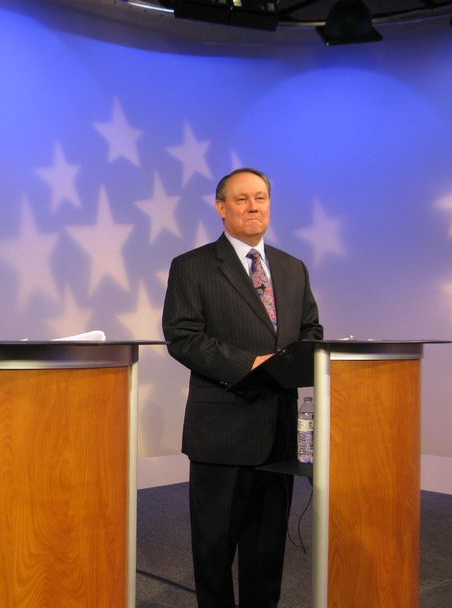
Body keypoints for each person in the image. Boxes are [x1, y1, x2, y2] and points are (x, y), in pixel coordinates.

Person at [162, 168, 323, 608]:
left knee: (267, 550)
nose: (253, 207)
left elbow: (312, 330)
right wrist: (250, 364)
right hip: (222, 430)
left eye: (261, 198)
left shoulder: (292, 268)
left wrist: (297, 360)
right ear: (221, 208)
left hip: (279, 433)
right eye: (241, 200)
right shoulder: (192, 266)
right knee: (215, 550)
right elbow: (183, 336)